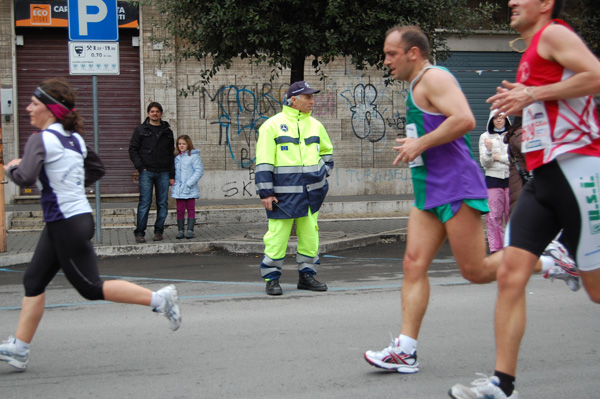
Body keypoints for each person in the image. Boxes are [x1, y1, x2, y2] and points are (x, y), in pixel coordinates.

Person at [363, 24, 569, 375]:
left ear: (414, 53)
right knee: (413, 264)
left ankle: (554, 261)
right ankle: (405, 350)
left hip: (456, 186)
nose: (386, 61)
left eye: (392, 54)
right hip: (428, 189)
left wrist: (420, 144)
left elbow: (465, 119)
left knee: (475, 271)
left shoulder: (434, 78)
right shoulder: (416, 85)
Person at [450, 0, 600, 397]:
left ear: (546, 3)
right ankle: (503, 384)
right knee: (510, 274)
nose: (512, 1)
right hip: (541, 179)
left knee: (597, 290)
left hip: (577, 169)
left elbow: (597, 76)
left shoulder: (555, 34)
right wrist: (527, 95)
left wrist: (533, 93)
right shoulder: (532, 50)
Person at [0, 78, 181, 372]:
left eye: (34, 103)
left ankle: (160, 299)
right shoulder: (74, 139)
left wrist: (11, 167)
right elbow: (97, 169)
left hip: (65, 223)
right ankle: (19, 348)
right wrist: (71, 185)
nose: (27, 108)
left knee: (91, 288)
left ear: (49, 109)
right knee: (33, 281)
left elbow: (25, 178)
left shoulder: (41, 139)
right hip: (74, 219)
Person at [255, 81, 334, 296]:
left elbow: (327, 154)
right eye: (308, 97)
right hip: (282, 196)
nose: (312, 101)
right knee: (277, 237)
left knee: (310, 236)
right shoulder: (271, 125)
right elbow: (263, 162)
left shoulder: (316, 125)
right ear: (293, 99)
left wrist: (323, 173)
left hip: (311, 194)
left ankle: (306, 276)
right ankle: (272, 279)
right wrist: (266, 193)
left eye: (312, 97)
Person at [506, 117, 580, 291]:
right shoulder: (519, 135)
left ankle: (560, 257)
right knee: (512, 261)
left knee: (514, 262)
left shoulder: (517, 133)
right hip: (531, 189)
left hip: (532, 188)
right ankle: (558, 256)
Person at [129, 102, 175, 243]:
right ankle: (140, 232)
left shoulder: (167, 131)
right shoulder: (140, 130)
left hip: (163, 172)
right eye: (152, 111)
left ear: (161, 113)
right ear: (148, 113)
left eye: (157, 111)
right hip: (147, 172)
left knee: (162, 203)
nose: (155, 114)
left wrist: (172, 175)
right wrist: (140, 167)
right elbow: (132, 149)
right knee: (145, 203)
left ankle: (158, 231)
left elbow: (170, 154)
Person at [479, 111, 511, 253]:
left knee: (512, 214)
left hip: (511, 179)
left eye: (501, 117)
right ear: (491, 119)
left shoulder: (512, 135)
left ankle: (512, 246)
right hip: (493, 180)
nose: (498, 120)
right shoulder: (485, 137)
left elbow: (515, 158)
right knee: (493, 216)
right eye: (495, 118)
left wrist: (499, 158)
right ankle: (496, 248)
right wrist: (489, 151)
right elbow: (485, 163)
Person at [172, 135, 204, 239]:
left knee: (190, 209)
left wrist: (189, 183)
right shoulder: (176, 157)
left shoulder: (194, 156)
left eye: (184, 144)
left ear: (188, 144)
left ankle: (190, 230)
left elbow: (199, 171)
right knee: (180, 210)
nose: (181, 146)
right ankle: (180, 230)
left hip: (190, 188)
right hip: (179, 189)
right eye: (179, 144)